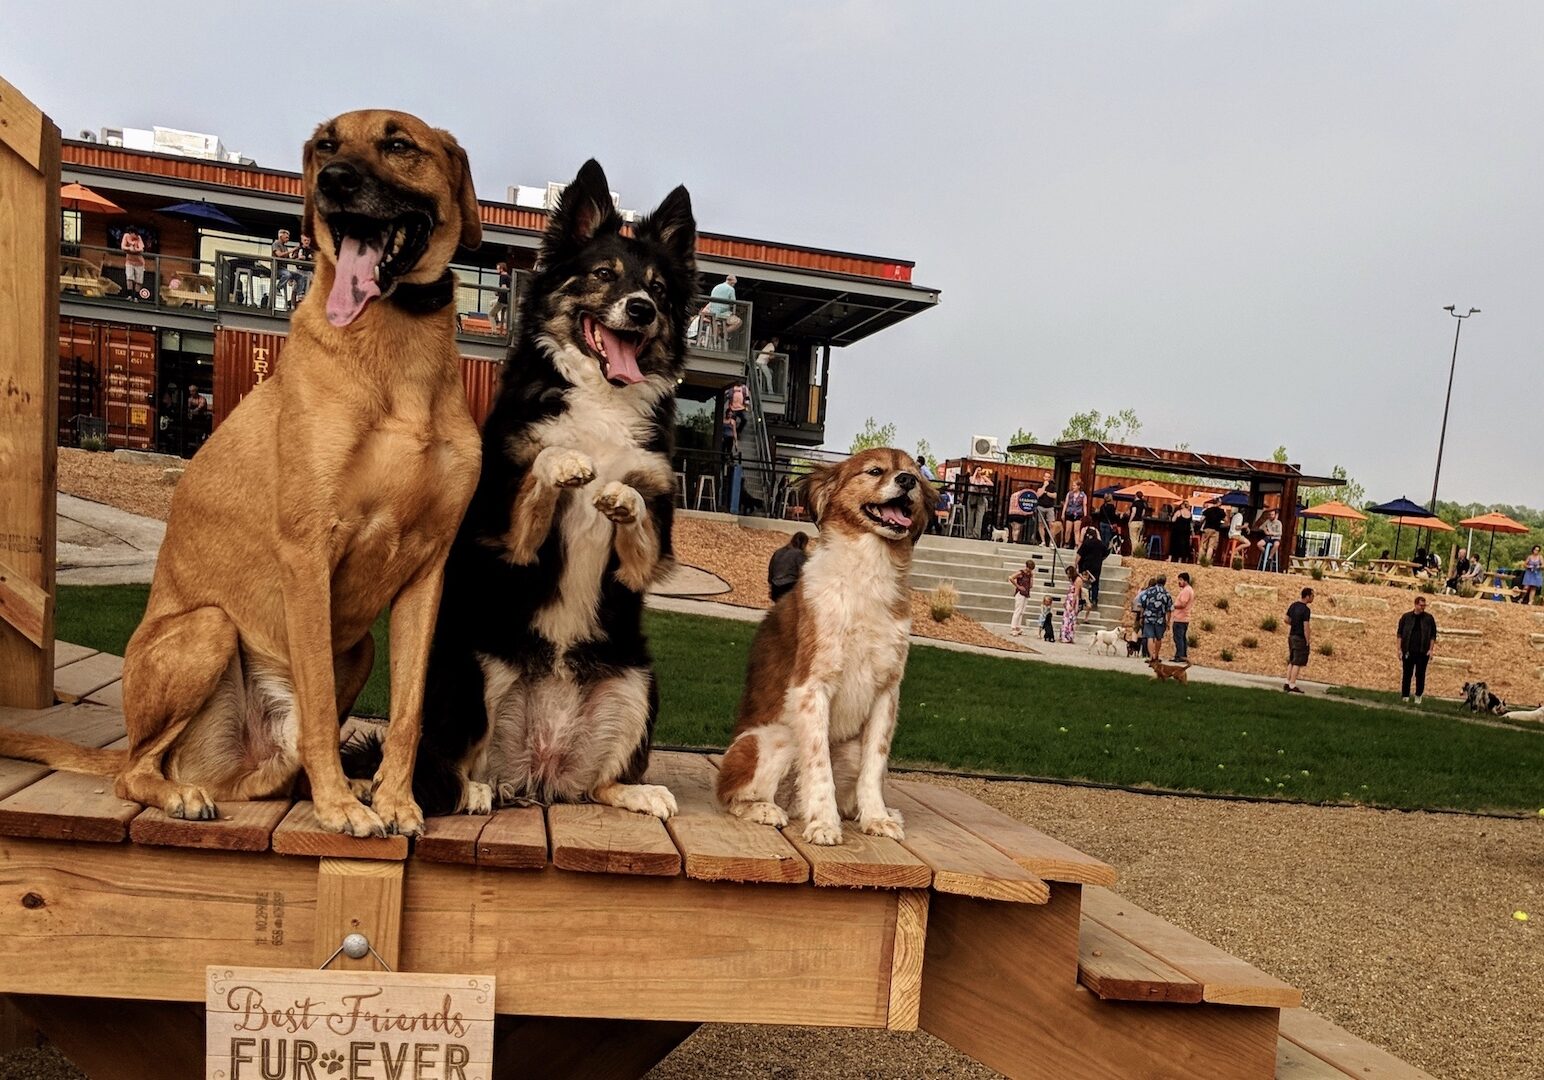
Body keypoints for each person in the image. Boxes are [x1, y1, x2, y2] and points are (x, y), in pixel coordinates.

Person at [1396, 594, 1438, 704]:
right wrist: (1399, 649)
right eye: (1421, 605)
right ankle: (1405, 695)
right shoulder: (1406, 617)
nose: (1423, 607)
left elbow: (1433, 635)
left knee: (1420, 675)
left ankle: (1418, 695)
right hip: (1408, 650)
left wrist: (1430, 650)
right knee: (1407, 674)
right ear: (1415, 605)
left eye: (1424, 605)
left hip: (1422, 652)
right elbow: (1400, 634)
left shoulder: (1429, 619)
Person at [1284, 587, 1314, 694]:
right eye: (1312, 596)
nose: (1313, 598)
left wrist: (1294, 624)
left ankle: (1287, 682)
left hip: (1291, 636)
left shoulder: (1293, 605)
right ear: (1307, 596)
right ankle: (1292, 684)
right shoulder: (1306, 610)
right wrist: (1307, 640)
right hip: (1300, 637)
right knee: (1297, 661)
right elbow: (1306, 626)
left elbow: (1286, 619)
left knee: (1291, 660)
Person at [1135, 574, 1173, 659]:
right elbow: (1169, 609)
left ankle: (1151, 656)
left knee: (1150, 637)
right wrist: (1168, 621)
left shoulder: (1149, 591)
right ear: (1165, 582)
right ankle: (1156, 655)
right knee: (1158, 638)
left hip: (1149, 618)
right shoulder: (1167, 594)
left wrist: (1141, 616)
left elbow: (1142, 605)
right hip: (1160, 619)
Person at [767, 532, 810, 602]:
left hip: (775, 588)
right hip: (789, 588)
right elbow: (804, 572)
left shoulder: (778, 552)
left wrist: (771, 585)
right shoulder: (800, 554)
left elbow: (771, 569)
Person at [701, 273, 743, 339]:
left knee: (722, 322)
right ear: (731, 282)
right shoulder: (731, 289)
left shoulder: (717, 287)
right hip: (722, 314)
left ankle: (718, 333)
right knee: (738, 322)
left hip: (711, 312)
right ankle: (723, 332)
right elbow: (733, 302)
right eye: (733, 284)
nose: (734, 285)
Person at [1075, 526, 1108, 607]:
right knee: (1095, 582)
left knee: (1085, 583)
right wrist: (1100, 559)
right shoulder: (1100, 544)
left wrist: (1075, 564)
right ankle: (1094, 599)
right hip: (1097, 566)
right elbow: (1106, 553)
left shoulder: (1086, 543)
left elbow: (1079, 554)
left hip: (1086, 565)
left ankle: (1084, 599)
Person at [1007, 559, 1036, 637]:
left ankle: (1018, 627)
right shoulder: (1021, 573)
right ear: (1026, 567)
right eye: (1029, 568)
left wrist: (1032, 577)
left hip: (1026, 593)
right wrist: (1018, 586)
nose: (1030, 570)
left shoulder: (1030, 574)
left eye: (1031, 569)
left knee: (1022, 612)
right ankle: (1013, 628)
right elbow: (1011, 578)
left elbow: (1031, 585)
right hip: (1020, 594)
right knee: (1018, 610)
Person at [1171, 571, 1194, 662]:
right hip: (1184, 618)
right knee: (1182, 637)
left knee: (1178, 638)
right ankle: (1183, 655)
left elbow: (1183, 604)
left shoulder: (1186, 591)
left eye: (1180, 580)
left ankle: (1179, 656)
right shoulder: (1189, 590)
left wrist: (1174, 606)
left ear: (1186, 580)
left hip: (1180, 618)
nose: (1179, 582)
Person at [120, 227, 146, 301]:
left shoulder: (139, 238)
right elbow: (123, 247)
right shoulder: (126, 236)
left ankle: (136, 297)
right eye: (135, 234)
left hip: (139, 263)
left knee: (139, 281)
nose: (136, 236)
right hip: (129, 262)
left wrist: (135, 250)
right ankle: (129, 296)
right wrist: (129, 248)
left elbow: (141, 249)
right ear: (131, 233)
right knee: (129, 278)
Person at [1060, 479, 1087, 549]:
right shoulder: (1069, 494)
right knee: (1068, 529)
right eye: (1072, 485)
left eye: (1074, 486)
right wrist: (1063, 513)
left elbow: (1084, 505)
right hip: (1069, 513)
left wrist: (1085, 516)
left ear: (1078, 486)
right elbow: (1066, 504)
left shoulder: (1083, 495)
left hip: (1078, 514)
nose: (1073, 487)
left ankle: (1076, 544)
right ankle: (1066, 543)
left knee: (1076, 530)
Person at [1060, 565, 1081, 643]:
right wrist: (1065, 601)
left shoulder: (1078, 580)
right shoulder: (1073, 580)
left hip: (1072, 600)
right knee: (1066, 618)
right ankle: (1064, 635)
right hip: (1069, 599)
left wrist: (1073, 604)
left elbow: (1076, 593)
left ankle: (1069, 636)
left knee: (1070, 618)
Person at [489, 261, 511, 333]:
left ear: (501, 269)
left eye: (498, 268)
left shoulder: (503, 276)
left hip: (502, 300)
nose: (497, 270)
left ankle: (494, 331)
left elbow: (504, 288)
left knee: (491, 314)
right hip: (508, 300)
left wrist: (498, 292)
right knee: (503, 315)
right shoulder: (509, 277)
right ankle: (503, 331)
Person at [1035, 481, 1057, 547]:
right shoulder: (1040, 485)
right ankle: (1043, 541)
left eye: (1048, 477)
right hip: (1041, 506)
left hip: (1050, 507)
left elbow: (1054, 496)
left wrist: (1046, 493)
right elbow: (1038, 495)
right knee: (1041, 524)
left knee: (1052, 524)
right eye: (1046, 477)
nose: (1047, 478)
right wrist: (1044, 486)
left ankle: (1051, 542)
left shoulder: (1053, 486)